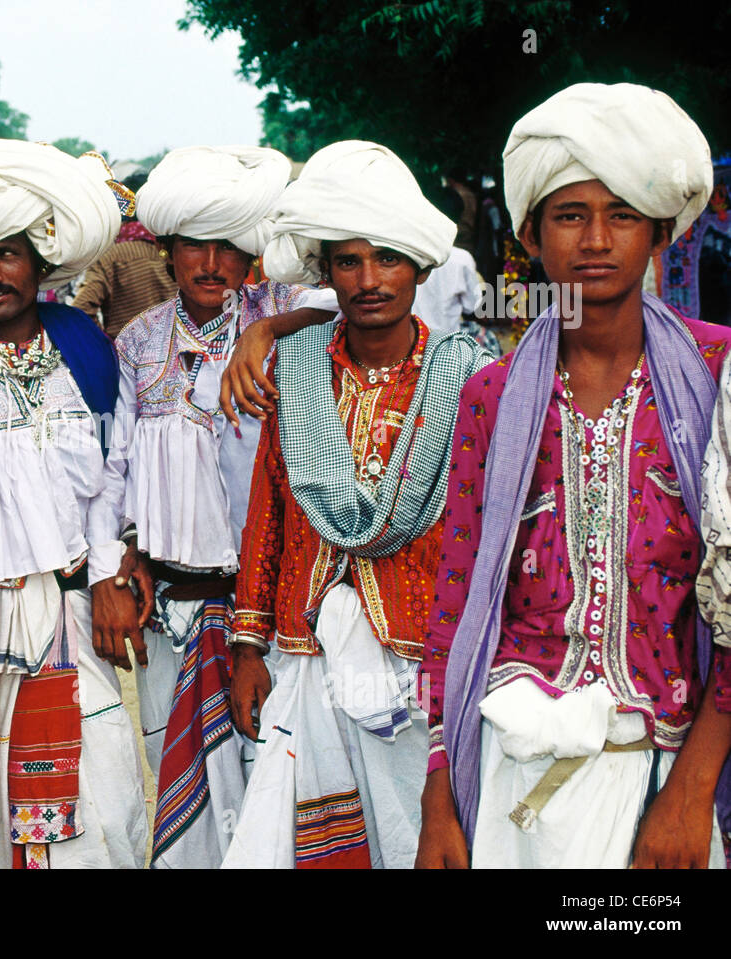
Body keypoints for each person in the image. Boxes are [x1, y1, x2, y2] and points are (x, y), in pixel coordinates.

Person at [418, 82, 731, 869]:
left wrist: (691, 789)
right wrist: (439, 795)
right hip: (515, 775)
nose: (596, 238)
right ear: (531, 234)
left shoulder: (717, 372)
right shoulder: (491, 395)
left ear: (660, 230)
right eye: (569, 214)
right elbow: (454, 600)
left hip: (666, 777)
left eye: (622, 214)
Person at [218, 141, 491, 868]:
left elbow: (478, 535)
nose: (369, 281)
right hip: (303, 650)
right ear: (326, 272)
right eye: (348, 261)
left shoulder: (467, 379)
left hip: (419, 654)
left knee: (413, 836)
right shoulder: (297, 368)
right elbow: (268, 515)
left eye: (388, 259)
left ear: (423, 267)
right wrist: (247, 645)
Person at [88, 145, 337, 868]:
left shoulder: (282, 310)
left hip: (272, 608)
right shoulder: (138, 343)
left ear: (251, 252)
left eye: (230, 245)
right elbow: (115, 469)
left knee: (274, 780)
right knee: (185, 779)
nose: (212, 262)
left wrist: (266, 332)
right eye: (195, 243)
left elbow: (344, 306)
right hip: (175, 605)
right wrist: (115, 563)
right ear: (167, 251)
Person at [0, 136, 148, 868]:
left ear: (39, 262)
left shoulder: (83, 348)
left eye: (8, 254)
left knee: (98, 801)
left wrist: (111, 575)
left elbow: (113, 474)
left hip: (73, 610)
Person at [70, 173, 179, 339]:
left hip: (126, 359)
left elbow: (81, 308)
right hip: (178, 354)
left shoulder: (110, 256)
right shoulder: (177, 252)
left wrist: (107, 345)